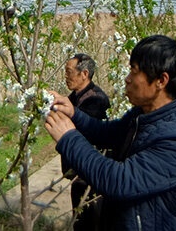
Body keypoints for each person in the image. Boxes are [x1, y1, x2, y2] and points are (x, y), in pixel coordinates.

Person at [45, 35, 176, 231]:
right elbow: (108, 133)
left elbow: (120, 181)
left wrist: (69, 139)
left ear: (161, 80)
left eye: (134, 71)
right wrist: (74, 114)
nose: (127, 79)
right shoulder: (144, 112)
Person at [62, 53, 111, 229]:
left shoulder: (96, 99)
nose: (66, 76)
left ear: (84, 74)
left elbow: (85, 131)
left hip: (91, 172)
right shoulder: (75, 96)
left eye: (69, 72)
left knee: (92, 220)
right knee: (79, 218)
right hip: (78, 172)